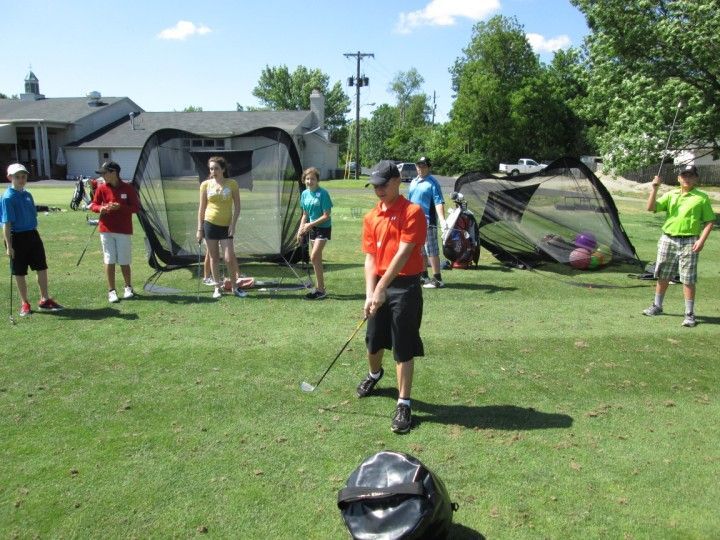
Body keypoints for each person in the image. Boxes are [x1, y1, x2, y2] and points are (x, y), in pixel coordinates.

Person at [356, 161, 427, 434]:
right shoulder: (371, 217)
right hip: (379, 284)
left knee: (402, 346)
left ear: (398, 181)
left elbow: (404, 254)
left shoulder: (413, 212)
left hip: (405, 286)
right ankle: (375, 374)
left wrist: (382, 288)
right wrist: (369, 293)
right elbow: (370, 257)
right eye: (374, 185)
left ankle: (404, 403)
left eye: (383, 184)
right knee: (373, 342)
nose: (378, 190)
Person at [643, 164, 715, 327]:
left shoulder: (701, 197)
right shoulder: (670, 194)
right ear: (679, 178)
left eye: (691, 176)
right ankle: (657, 306)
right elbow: (651, 208)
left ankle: (689, 314)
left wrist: (701, 240)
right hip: (668, 238)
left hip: (690, 240)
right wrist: (654, 188)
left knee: (688, 278)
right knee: (663, 275)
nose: (687, 179)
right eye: (684, 175)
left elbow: (710, 221)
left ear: (696, 178)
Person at [1, 163, 63, 316]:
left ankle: (44, 299)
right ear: (10, 178)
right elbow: (6, 224)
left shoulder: (28, 194)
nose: (21, 180)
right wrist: (9, 246)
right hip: (17, 237)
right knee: (19, 271)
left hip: (32, 235)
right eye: (17, 177)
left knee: (41, 267)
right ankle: (25, 303)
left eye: (23, 176)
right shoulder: (8, 198)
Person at [89, 161, 141, 303]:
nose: (103, 176)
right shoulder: (101, 188)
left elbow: (136, 207)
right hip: (106, 229)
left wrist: (120, 207)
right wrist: (101, 208)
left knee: (124, 259)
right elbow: (93, 204)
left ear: (113, 173)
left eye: (105, 173)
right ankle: (112, 291)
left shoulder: (128, 188)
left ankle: (128, 287)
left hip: (123, 230)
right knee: (109, 259)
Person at [196, 156, 246, 299]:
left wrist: (233, 224)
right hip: (209, 224)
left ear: (223, 169)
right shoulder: (205, 185)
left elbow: (237, 206)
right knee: (214, 257)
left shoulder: (232, 184)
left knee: (229, 258)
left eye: (216, 168)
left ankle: (235, 288)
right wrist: (199, 229)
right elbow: (201, 208)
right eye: (211, 168)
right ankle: (217, 287)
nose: (213, 171)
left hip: (227, 226)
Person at [407, 156, 447, 289]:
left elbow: (438, 202)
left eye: (423, 166)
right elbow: (410, 202)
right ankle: (423, 276)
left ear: (429, 167)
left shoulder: (432, 183)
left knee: (432, 250)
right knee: (420, 250)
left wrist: (442, 219)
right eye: (419, 166)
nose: (420, 168)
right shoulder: (413, 182)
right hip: (414, 221)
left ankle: (437, 279)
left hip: (428, 221)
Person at [296, 166, 333, 300]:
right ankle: (320, 289)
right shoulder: (305, 194)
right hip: (311, 228)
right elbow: (305, 214)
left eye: (312, 178)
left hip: (323, 228)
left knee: (314, 256)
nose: (309, 181)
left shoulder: (323, 194)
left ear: (317, 180)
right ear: (304, 180)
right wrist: (300, 230)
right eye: (307, 178)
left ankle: (321, 289)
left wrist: (309, 225)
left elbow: (326, 216)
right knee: (316, 259)